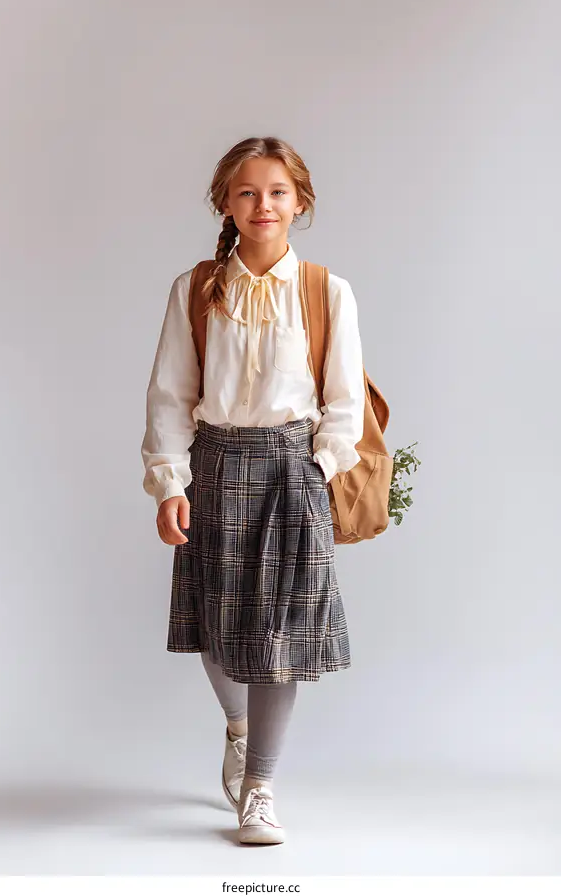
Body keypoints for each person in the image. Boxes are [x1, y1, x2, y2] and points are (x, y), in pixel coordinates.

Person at [141, 136, 365, 845]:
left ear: (300, 202)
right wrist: (169, 482)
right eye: (247, 192)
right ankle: (239, 731)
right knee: (215, 623)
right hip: (215, 464)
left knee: (280, 636)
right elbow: (170, 396)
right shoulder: (197, 288)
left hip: (292, 469)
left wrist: (319, 470)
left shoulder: (327, 290)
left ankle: (260, 787)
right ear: (225, 204)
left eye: (276, 192)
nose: (262, 205)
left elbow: (345, 402)